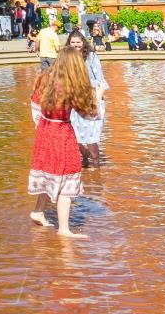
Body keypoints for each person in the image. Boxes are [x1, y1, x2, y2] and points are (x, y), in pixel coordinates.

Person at [28, 62, 90, 239]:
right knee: (67, 175)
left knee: (50, 173)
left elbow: (34, 104)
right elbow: (89, 114)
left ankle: (38, 211)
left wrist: (41, 125)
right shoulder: (69, 84)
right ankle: (64, 229)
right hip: (61, 133)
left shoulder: (45, 77)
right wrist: (98, 95)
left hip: (45, 130)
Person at [62, 30, 107, 165]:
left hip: (90, 98)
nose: (76, 44)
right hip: (73, 99)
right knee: (76, 135)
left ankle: (96, 163)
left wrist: (98, 97)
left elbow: (100, 78)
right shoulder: (66, 57)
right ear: (69, 43)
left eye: (78, 42)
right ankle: (85, 159)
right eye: (73, 42)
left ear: (83, 42)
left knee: (91, 136)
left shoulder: (91, 56)